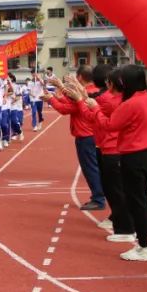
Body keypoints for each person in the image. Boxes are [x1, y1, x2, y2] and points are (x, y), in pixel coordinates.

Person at [80, 65, 147, 262]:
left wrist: (95, 109)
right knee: (144, 200)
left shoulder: (131, 104)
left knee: (137, 202)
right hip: (146, 154)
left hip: (132, 155)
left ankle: (143, 246)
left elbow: (109, 125)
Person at [47, 66, 107, 212]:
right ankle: (100, 196)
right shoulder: (93, 91)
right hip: (92, 134)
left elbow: (68, 108)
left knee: (90, 168)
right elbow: (71, 103)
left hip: (86, 135)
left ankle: (98, 198)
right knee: (95, 167)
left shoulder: (86, 93)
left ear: (79, 77)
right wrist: (60, 94)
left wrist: (52, 99)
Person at [87, 66, 135, 243]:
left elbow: (105, 123)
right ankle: (124, 223)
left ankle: (126, 228)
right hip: (119, 148)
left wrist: (93, 108)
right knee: (119, 190)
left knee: (116, 190)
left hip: (113, 149)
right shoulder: (128, 99)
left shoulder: (111, 101)